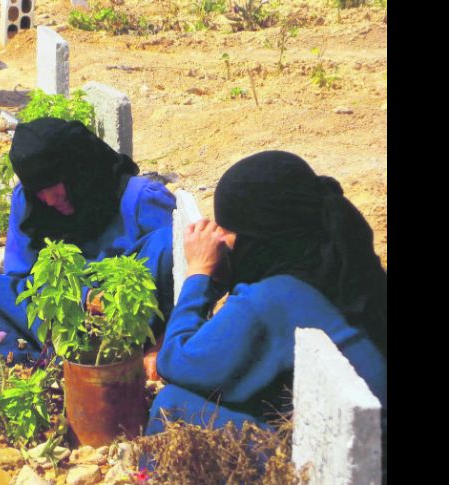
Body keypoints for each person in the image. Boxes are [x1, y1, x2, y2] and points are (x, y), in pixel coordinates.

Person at [146, 151, 386, 474]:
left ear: (258, 238)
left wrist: (200, 273)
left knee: (170, 406)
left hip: (343, 466)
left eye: (228, 229)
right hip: (361, 444)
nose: (218, 238)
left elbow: (174, 361)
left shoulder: (273, 298)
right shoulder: (332, 262)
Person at [0, 117, 176, 375]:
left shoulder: (140, 199)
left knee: (168, 241)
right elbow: (21, 282)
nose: (48, 199)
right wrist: (77, 298)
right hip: (56, 321)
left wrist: (160, 343)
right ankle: (25, 370)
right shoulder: (31, 201)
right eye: (38, 191)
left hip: (124, 324)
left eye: (52, 185)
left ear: (77, 169)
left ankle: (112, 366)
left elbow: (189, 273)